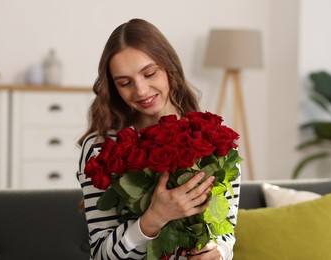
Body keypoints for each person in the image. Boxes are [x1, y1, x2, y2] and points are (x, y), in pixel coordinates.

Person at [77, 18, 240, 260]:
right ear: (114, 88)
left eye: (149, 73)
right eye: (125, 83)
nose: (141, 91)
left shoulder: (213, 138)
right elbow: (101, 255)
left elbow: (226, 232)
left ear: (169, 67)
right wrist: (153, 219)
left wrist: (218, 252)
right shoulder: (101, 148)